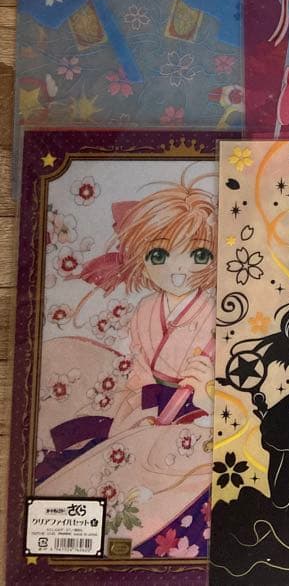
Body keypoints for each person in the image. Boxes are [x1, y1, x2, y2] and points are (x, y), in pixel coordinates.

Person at [36, 174, 218, 554]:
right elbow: (140, 372)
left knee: (147, 468)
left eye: (199, 255)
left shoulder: (216, 314)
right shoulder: (147, 310)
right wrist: (135, 411)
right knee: (106, 443)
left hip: (199, 415)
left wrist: (207, 393)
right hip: (148, 404)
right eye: (159, 256)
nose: (178, 270)